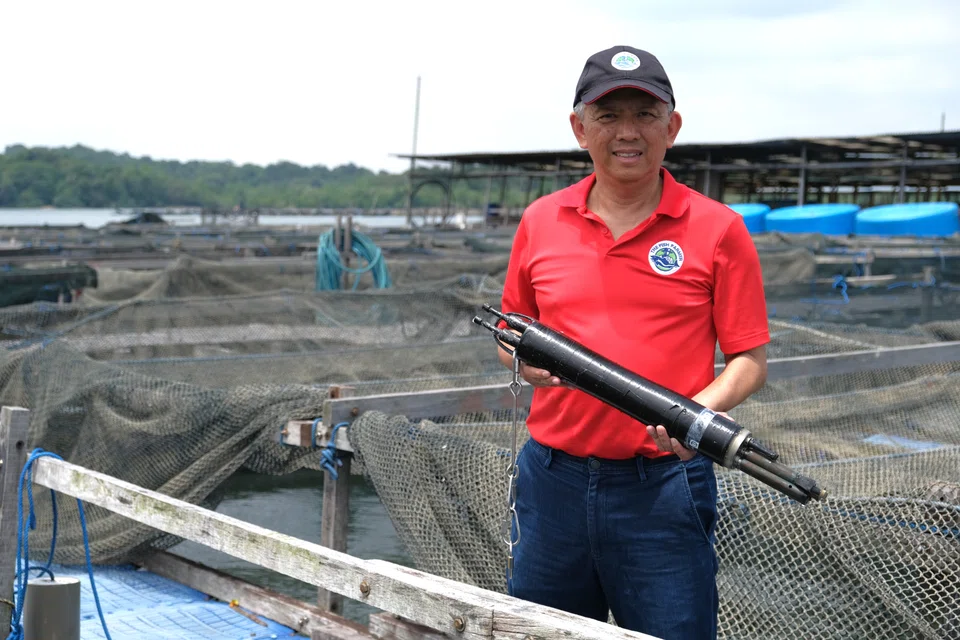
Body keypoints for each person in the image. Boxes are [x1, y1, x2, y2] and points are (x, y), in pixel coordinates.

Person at [497, 45, 770, 640]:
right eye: (608, 115)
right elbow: (510, 329)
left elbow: (749, 359)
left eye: (645, 115)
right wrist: (523, 357)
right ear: (579, 128)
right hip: (553, 481)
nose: (628, 132)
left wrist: (698, 413)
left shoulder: (719, 228)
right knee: (538, 632)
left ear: (672, 128)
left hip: (664, 485)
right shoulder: (541, 220)